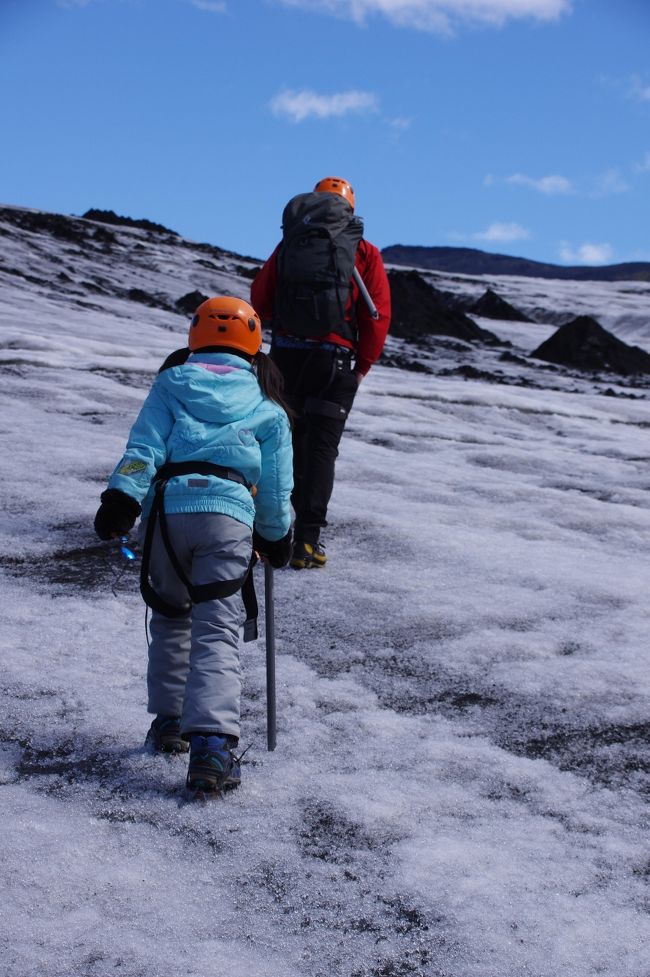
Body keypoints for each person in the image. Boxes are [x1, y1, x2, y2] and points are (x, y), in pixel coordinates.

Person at [94, 296, 293, 795]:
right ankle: (212, 748)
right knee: (217, 630)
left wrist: (122, 499)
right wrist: (276, 536)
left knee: (169, 617)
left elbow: (143, 448)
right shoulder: (267, 406)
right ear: (253, 344)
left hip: (168, 515)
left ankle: (168, 724)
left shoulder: (170, 383)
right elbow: (273, 489)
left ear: (194, 336)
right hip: (227, 517)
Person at [251, 176, 391, 570]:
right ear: (350, 207)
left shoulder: (290, 245)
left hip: (286, 359)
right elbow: (377, 315)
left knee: (281, 443)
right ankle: (307, 543)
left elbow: (260, 299)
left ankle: (268, 533)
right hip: (336, 361)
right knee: (320, 450)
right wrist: (362, 366)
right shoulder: (363, 251)